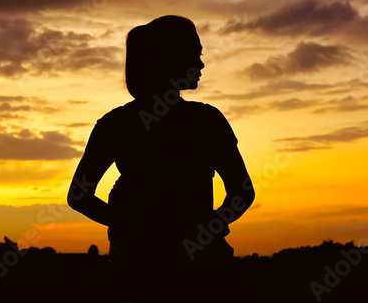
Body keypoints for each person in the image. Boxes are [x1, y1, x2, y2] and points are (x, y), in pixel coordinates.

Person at [67, 15, 255, 278]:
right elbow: (79, 195)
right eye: (194, 55)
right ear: (170, 59)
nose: (201, 64)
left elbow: (242, 192)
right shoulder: (204, 121)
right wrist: (132, 226)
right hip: (152, 266)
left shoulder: (119, 123)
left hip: (166, 265)